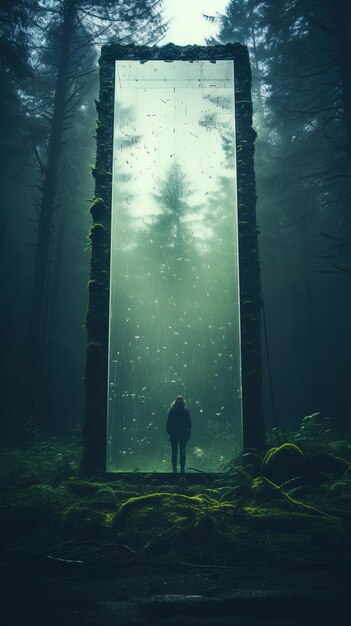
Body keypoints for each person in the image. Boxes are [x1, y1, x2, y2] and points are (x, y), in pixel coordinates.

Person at [167, 395, 191, 473]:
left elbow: (168, 424)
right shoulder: (185, 411)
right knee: (182, 452)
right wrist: (188, 434)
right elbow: (189, 424)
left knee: (174, 453)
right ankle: (182, 469)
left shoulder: (172, 410)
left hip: (174, 435)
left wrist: (169, 433)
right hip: (183, 435)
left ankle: (174, 469)